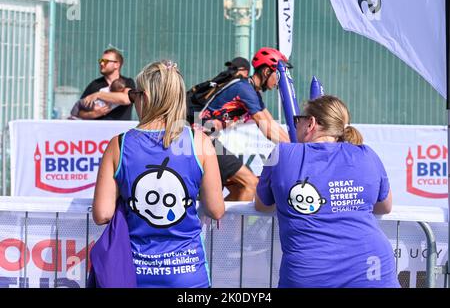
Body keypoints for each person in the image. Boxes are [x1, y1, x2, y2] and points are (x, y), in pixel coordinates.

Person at [92, 60, 225, 288]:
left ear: (146, 97)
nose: (133, 101)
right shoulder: (199, 141)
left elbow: (102, 214)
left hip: (136, 272)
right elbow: (215, 209)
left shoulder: (119, 144)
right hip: (189, 273)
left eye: (134, 94)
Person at [255, 95, 400, 288]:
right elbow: (384, 206)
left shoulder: (283, 153)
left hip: (310, 274)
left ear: (311, 123)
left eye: (298, 119)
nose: (295, 125)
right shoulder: (366, 154)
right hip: (371, 267)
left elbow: (262, 205)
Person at [199, 47, 290, 201]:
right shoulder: (244, 89)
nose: (279, 81)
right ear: (267, 71)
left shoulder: (252, 92)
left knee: (240, 186)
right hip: (201, 140)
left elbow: (271, 123)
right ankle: (226, 225)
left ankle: (216, 225)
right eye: (278, 75)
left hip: (207, 140)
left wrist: (297, 145)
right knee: (251, 184)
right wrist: (298, 150)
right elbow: (267, 130)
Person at [78, 48, 135, 120]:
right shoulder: (95, 84)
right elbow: (79, 112)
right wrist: (93, 114)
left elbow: (126, 99)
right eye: (101, 61)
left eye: (105, 61)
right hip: (98, 130)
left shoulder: (128, 82)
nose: (101, 63)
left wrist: (99, 94)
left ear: (116, 64)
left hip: (121, 130)